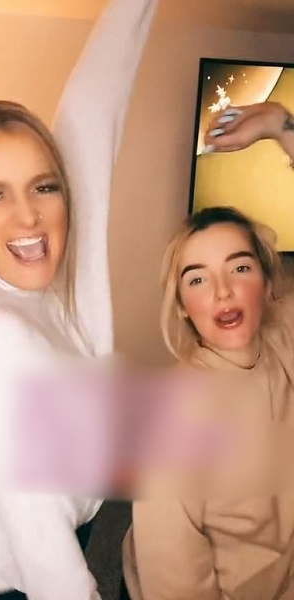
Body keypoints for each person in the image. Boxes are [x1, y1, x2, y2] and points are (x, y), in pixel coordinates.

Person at [0, 0, 157, 597]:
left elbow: (91, 113)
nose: (28, 216)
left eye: (43, 186)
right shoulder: (0, 349)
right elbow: (51, 570)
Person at [121, 104, 294, 599]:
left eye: (239, 268)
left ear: (267, 280)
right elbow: (175, 582)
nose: (222, 291)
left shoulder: (283, 335)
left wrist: (279, 125)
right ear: (181, 304)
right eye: (197, 279)